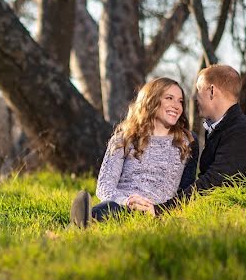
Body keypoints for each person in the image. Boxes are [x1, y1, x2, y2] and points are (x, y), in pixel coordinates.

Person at [70, 77, 198, 228]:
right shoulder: (124, 138)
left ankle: (80, 224)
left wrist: (158, 211)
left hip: (154, 213)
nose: (177, 106)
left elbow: (186, 193)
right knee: (109, 210)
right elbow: (105, 185)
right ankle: (83, 223)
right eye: (169, 98)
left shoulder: (187, 141)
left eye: (180, 101)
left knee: (101, 216)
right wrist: (128, 201)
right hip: (119, 205)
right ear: (151, 100)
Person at [147, 64, 246, 215]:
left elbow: (214, 181)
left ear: (212, 91)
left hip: (238, 217)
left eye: (198, 90)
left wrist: (161, 210)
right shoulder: (219, 128)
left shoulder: (242, 131)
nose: (195, 98)